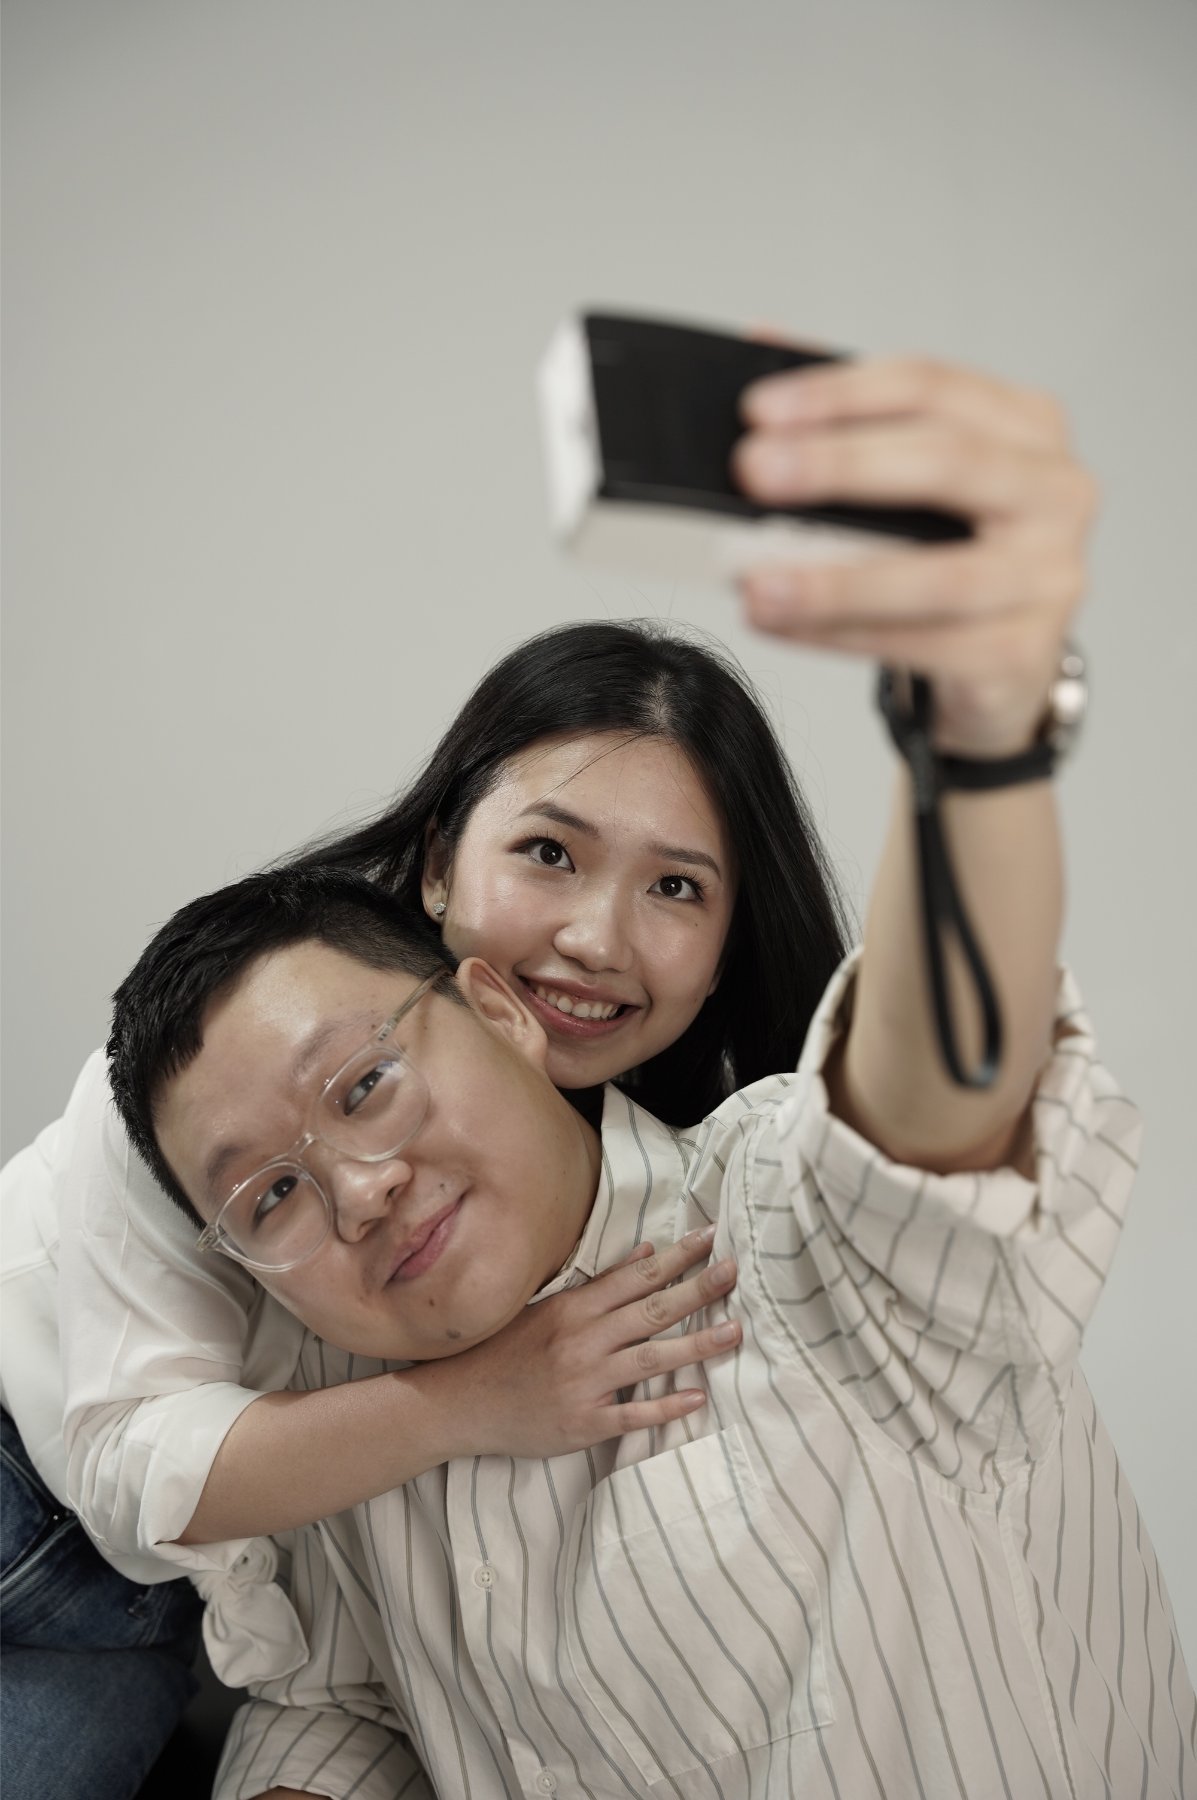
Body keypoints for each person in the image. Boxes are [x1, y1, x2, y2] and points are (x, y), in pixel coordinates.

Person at [107, 861, 1193, 1799]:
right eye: (271, 1197)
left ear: (500, 1013)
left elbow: (967, 1161)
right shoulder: (336, 1411)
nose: (358, 1192)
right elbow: (349, 1703)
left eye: (364, 1087)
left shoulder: (775, 1202)